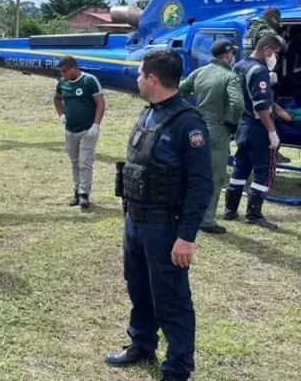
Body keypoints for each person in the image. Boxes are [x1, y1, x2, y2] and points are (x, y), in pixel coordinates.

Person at [106, 49, 212, 381]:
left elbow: (201, 184)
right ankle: (142, 343)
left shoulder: (188, 123)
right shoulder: (148, 113)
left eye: (139, 74)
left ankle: (178, 368)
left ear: (152, 79)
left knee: (172, 297)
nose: (136, 79)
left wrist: (187, 236)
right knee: (138, 287)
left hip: (165, 227)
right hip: (135, 220)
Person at [178, 39, 244, 235]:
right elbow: (238, 104)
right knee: (214, 176)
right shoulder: (229, 77)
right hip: (217, 129)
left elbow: (179, 91)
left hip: (197, 126)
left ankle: (184, 212)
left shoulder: (198, 72)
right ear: (228, 55)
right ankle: (206, 219)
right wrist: (232, 123)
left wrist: (187, 113)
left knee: (191, 172)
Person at [223, 34, 282, 230]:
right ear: (266, 50)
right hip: (257, 128)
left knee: (241, 167)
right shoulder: (259, 71)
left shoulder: (239, 65)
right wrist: (272, 132)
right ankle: (254, 214)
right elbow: (261, 105)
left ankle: (230, 210)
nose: (274, 57)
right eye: (274, 53)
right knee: (264, 172)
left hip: (242, 125)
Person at [53, 56, 106, 209]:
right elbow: (57, 99)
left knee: (85, 162)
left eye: (64, 71)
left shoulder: (89, 81)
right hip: (70, 129)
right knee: (75, 162)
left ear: (73, 68)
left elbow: (100, 102)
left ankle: (84, 194)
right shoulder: (62, 83)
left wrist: (96, 125)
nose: (62, 74)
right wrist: (61, 114)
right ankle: (76, 191)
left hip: (87, 129)